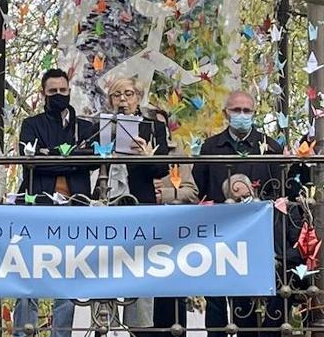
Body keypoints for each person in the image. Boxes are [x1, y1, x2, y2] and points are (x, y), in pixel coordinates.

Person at [13, 68, 98, 337]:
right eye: (53, 91)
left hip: (76, 208)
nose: (58, 95)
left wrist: (52, 156)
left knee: (67, 279)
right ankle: (23, 333)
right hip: (36, 208)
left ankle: (62, 334)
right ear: (43, 93)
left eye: (62, 90)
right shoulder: (31, 125)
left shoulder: (85, 127)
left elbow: (95, 160)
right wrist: (72, 159)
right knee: (28, 277)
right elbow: (31, 162)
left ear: (69, 91)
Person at [194, 90, 284, 335]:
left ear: (254, 114)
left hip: (255, 234)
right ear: (226, 113)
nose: (242, 115)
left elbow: (279, 191)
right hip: (218, 231)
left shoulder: (270, 147)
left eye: (247, 111)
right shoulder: (211, 147)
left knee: (247, 300)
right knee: (215, 296)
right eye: (236, 110)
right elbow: (200, 186)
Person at [96, 77, 169, 333]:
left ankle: (140, 329)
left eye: (128, 94)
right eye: (117, 95)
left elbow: (161, 169)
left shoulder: (152, 127)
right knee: (107, 269)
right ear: (110, 100)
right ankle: (107, 326)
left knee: (139, 270)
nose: (123, 100)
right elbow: (87, 164)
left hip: (140, 205)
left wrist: (148, 155)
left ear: (138, 97)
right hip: (108, 207)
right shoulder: (100, 126)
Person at [220, 175, 305, 337]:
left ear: (253, 191)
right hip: (244, 272)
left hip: (279, 271)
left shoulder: (280, 211)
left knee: (283, 283)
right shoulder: (228, 223)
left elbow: (298, 248)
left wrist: (276, 261)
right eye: (237, 200)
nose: (244, 202)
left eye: (246, 197)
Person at [149, 107, 196, 337]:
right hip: (139, 234)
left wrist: (164, 194)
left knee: (172, 300)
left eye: (161, 125)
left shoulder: (178, 152)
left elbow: (192, 192)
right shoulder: (124, 151)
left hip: (172, 235)